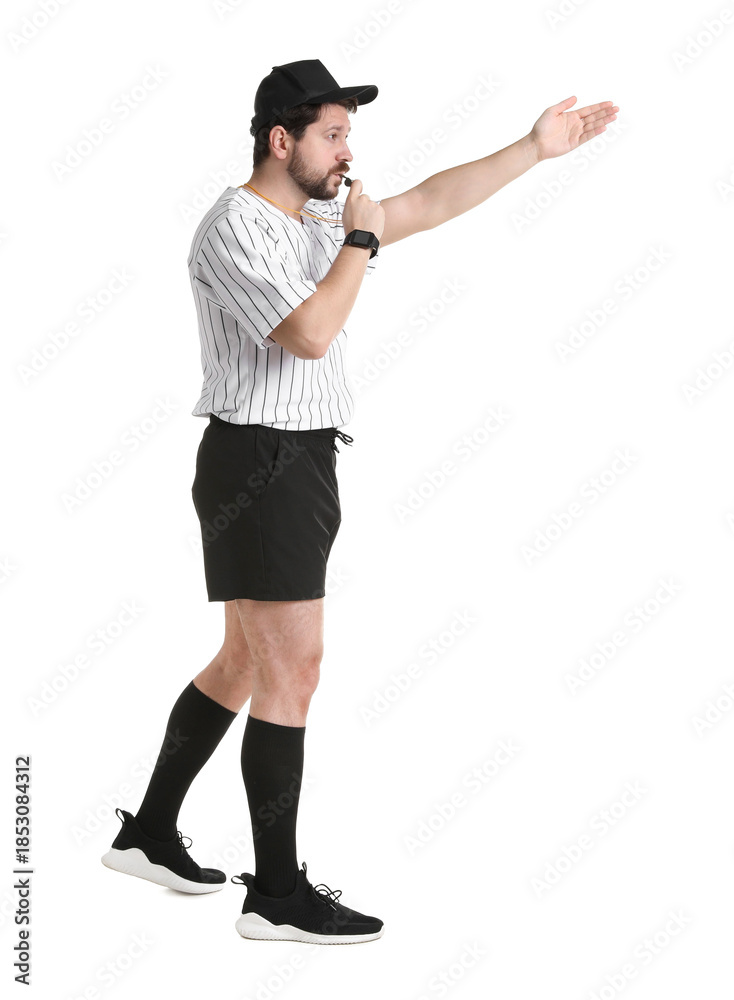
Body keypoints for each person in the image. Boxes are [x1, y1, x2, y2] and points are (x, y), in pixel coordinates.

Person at [101, 58, 618, 945]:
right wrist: (360, 243)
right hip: (261, 460)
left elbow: (427, 201)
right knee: (293, 672)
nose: (349, 152)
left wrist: (533, 149)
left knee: (244, 661)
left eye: (350, 135)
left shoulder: (316, 215)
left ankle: (147, 835)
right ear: (281, 140)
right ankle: (275, 895)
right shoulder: (234, 228)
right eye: (333, 135)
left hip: (297, 459)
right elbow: (309, 334)